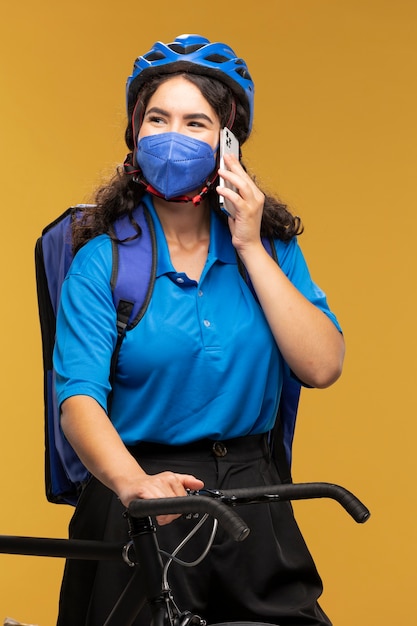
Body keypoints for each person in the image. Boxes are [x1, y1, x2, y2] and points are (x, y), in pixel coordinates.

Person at [53, 34, 345, 626]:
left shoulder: (272, 250)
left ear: (228, 141)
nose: (172, 136)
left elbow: (321, 366)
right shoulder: (101, 262)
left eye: (195, 123)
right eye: (157, 119)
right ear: (135, 133)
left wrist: (250, 244)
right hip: (138, 494)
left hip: (251, 497)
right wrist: (135, 486)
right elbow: (77, 399)